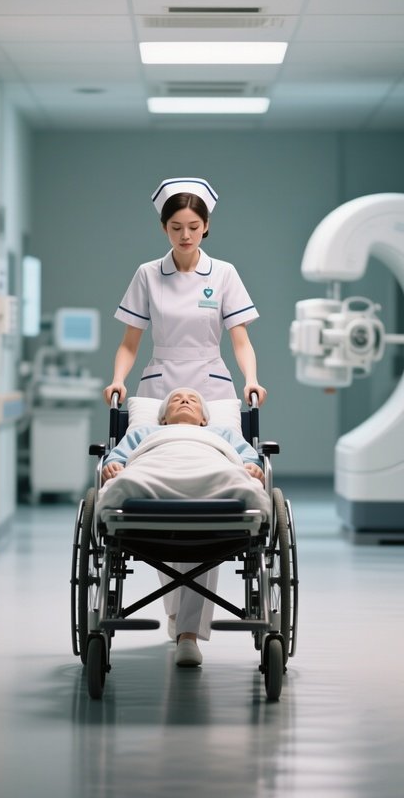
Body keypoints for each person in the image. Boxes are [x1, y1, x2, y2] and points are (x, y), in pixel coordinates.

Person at [99, 388, 268, 668]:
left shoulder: (223, 436)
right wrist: (113, 466)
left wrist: (253, 469)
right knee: (170, 505)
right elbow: (115, 458)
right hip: (155, 472)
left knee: (214, 502)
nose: (185, 400)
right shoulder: (144, 434)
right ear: (163, 419)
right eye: (176, 399)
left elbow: (250, 460)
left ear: (205, 420)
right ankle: (183, 628)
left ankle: (187, 635)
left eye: (193, 400)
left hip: (211, 474)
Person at [103, 177, 267, 408]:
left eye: (194, 227)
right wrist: (117, 380)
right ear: (164, 227)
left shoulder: (223, 273)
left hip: (211, 382)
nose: (185, 236)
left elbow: (241, 342)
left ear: (206, 225)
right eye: (176, 228)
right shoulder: (148, 274)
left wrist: (252, 380)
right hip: (160, 383)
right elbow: (129, 343)